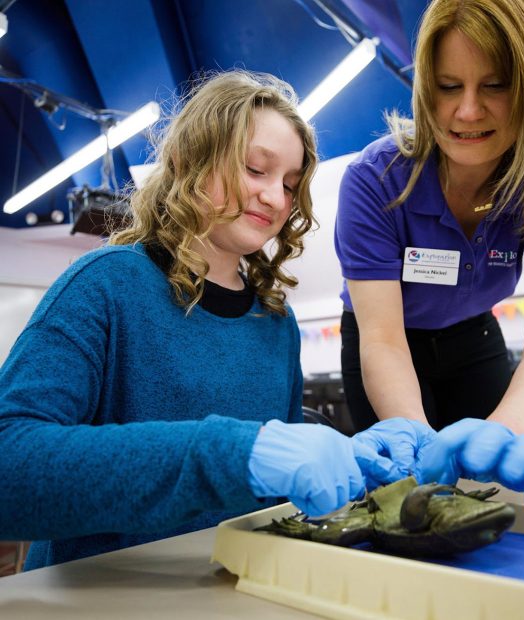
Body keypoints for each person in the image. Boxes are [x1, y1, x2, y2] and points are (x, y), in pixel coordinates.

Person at [0, 70, 422, 570]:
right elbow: (11, 467)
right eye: (254, 169)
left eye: (290, 184)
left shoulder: (275, 322)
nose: (275, 198)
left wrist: (348, 458)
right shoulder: (104, 286)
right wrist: (233, 452)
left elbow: (272, 496)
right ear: (186, 159)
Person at [335, 0, 524, 507]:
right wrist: (415, 440)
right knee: (413, 494)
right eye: (449, 86)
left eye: (494, 85)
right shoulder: (376, 181)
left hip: (473, 338)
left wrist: (511, 428)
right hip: (385, 342)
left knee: (506, 479)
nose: (467, 111)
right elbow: (383, 340)